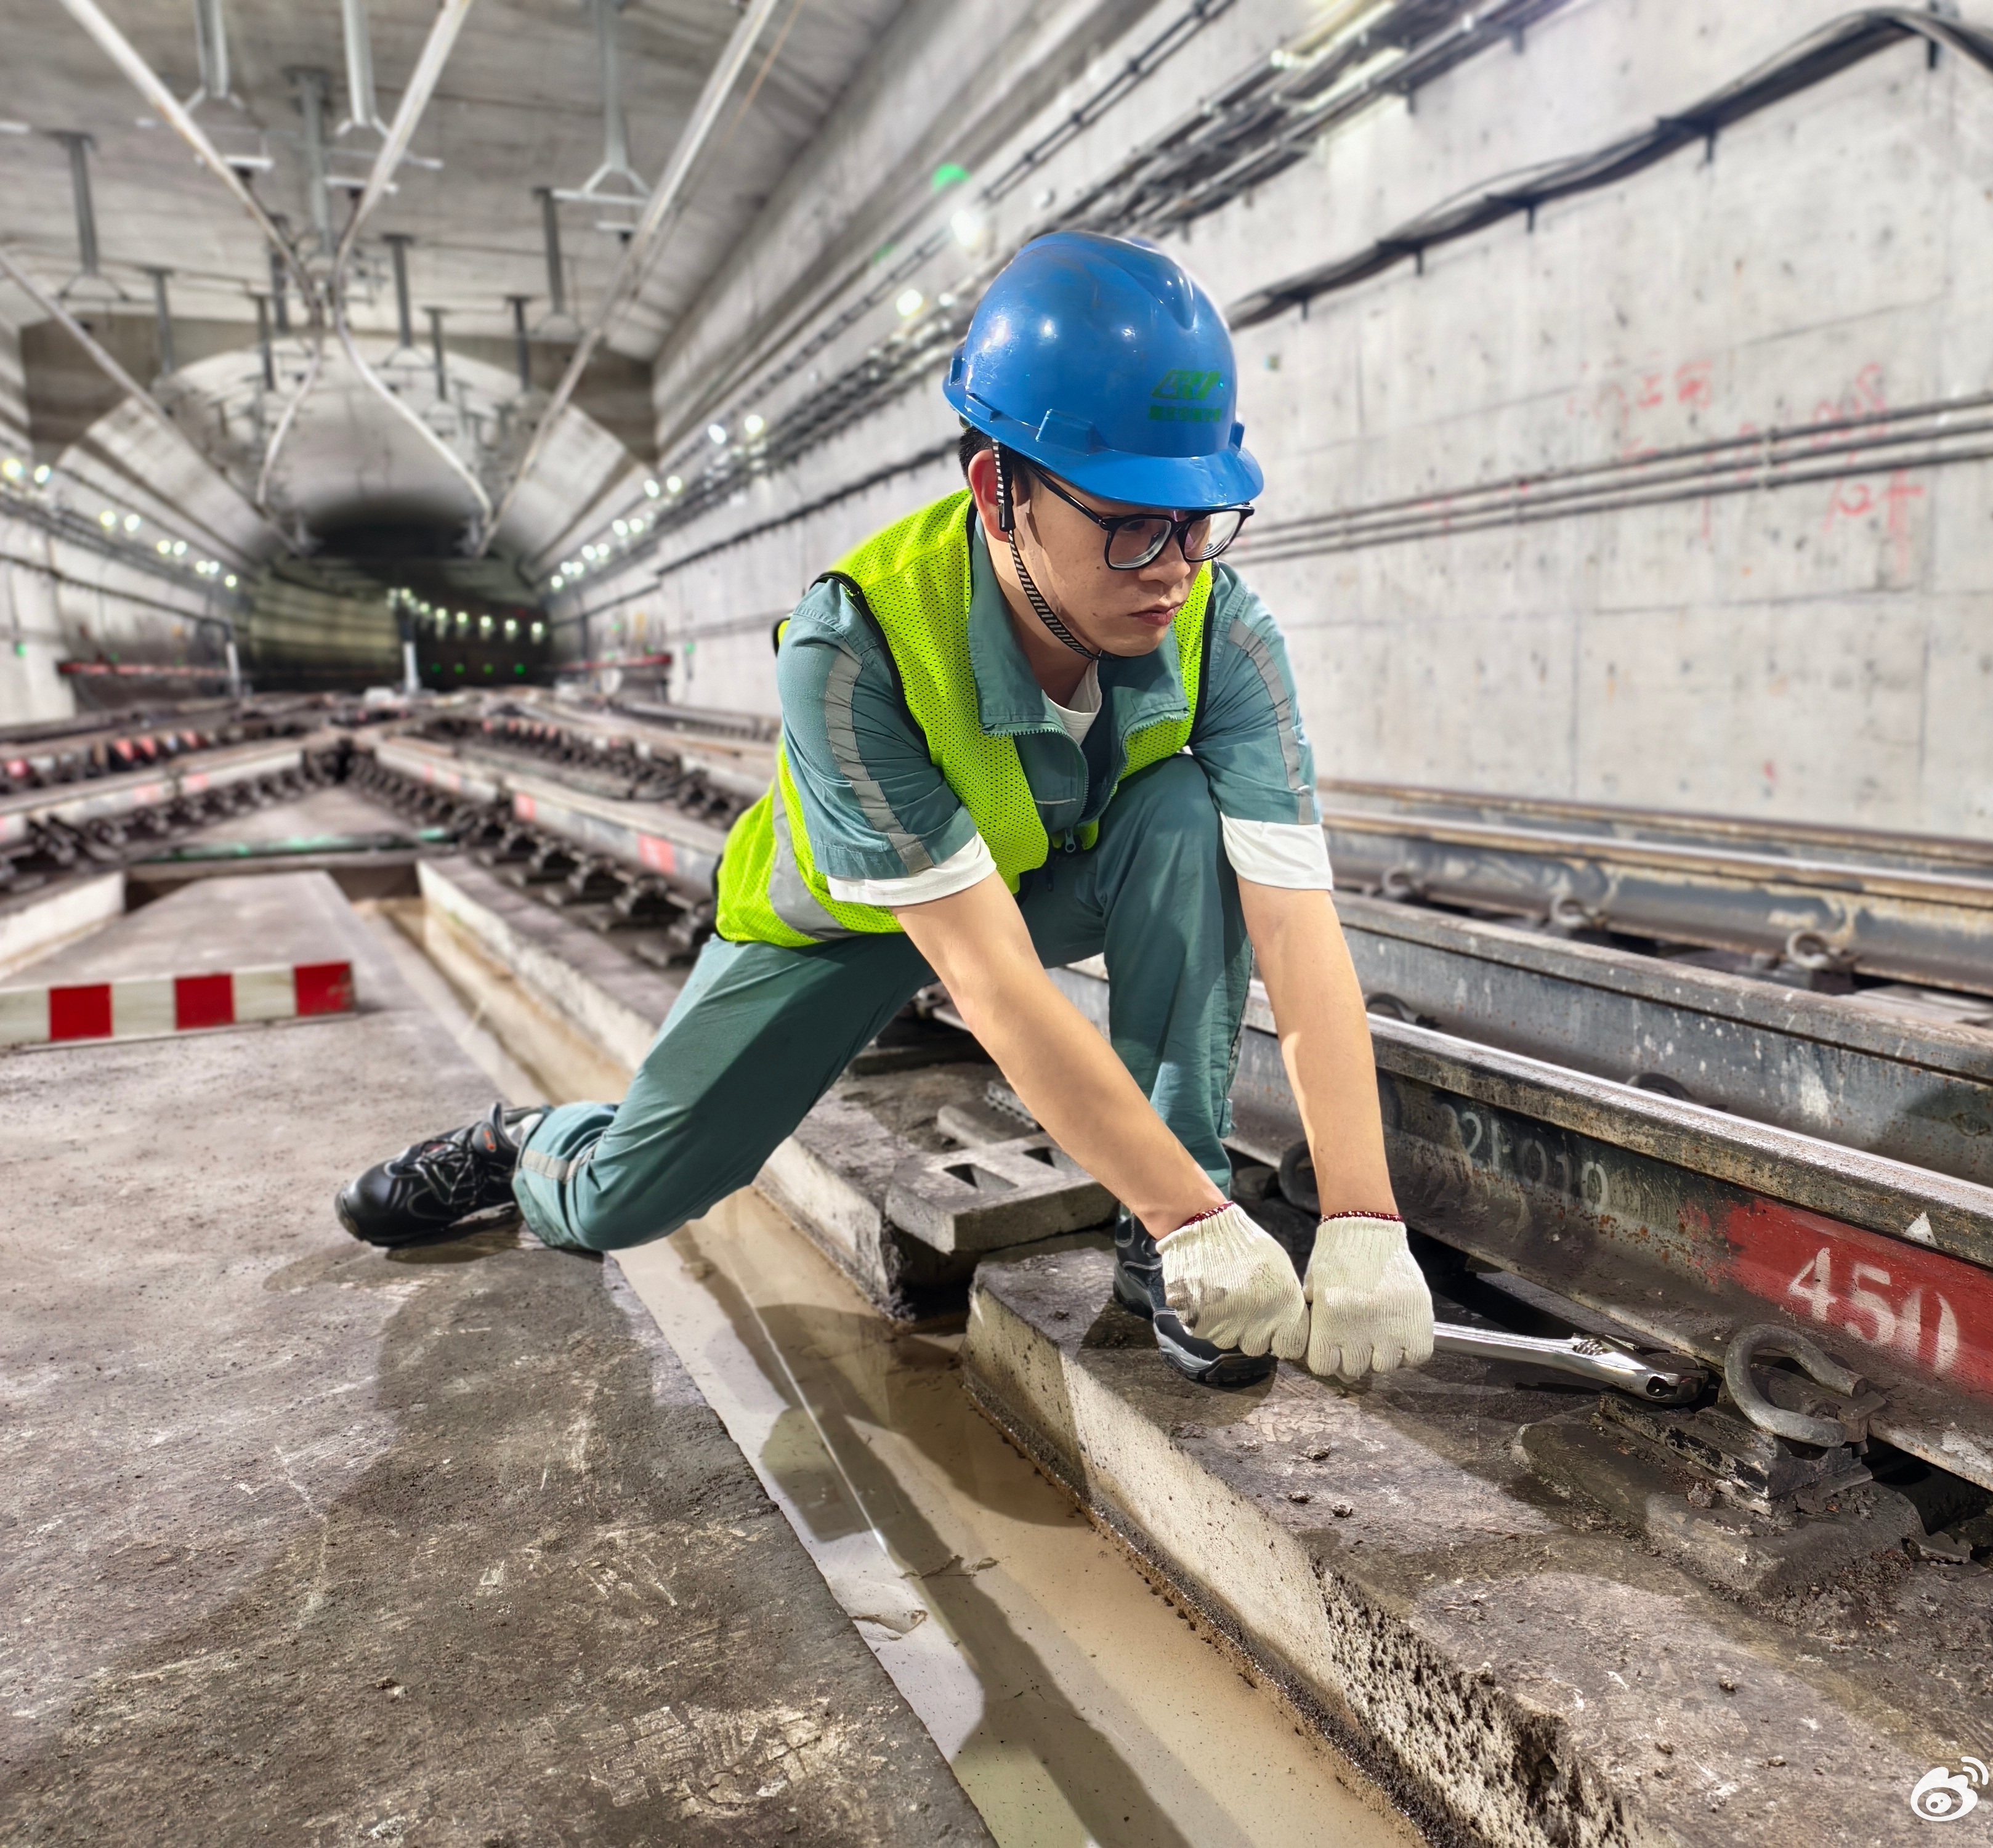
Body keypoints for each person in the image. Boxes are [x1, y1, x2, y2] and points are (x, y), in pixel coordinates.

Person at [335, 231, 1434, 1388]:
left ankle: (1166, 1229)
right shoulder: (856, 646)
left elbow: (1299, 932)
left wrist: (1362, 1215)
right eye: (1130, 523)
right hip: (848, 928)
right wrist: (1206, 1222)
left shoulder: (1224, 629)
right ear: (997, 491)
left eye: (1200, 520)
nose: (1172, 566)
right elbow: (993, 984)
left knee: (1182, 811)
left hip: (1038, 880)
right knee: (625, 1204)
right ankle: (527, 1146)